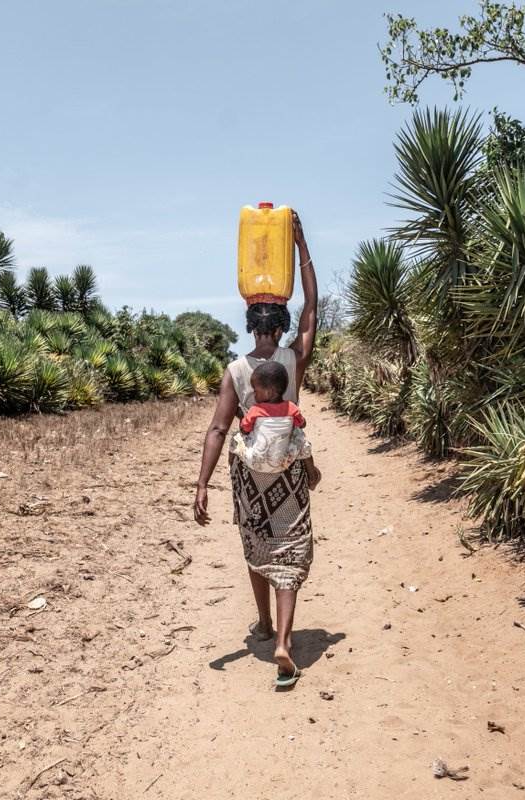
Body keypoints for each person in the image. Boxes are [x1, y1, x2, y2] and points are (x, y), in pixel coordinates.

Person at [194, 210, 319, 688]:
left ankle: (263, 625)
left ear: (250, 326)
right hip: (288, 470)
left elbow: (217, 429)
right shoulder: (293, 359)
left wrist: (202, 482)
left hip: (248, 473)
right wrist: (300, 244)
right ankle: (284, 641)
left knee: (257, 543)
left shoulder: (236, 370)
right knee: (289, 548)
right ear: (283, 324)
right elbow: (312, 306)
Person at [230, 361, 315, 475]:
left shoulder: (256, 410)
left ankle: (231, 467)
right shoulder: (291, 407)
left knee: (235, 437)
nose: (254, 395)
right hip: (284, 462)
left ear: (269, 392)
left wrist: (242, 419)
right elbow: (302, 424)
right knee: (300, 437)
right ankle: (312, 473)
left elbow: (244, 430)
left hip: (255, 461)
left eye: (255, 391)